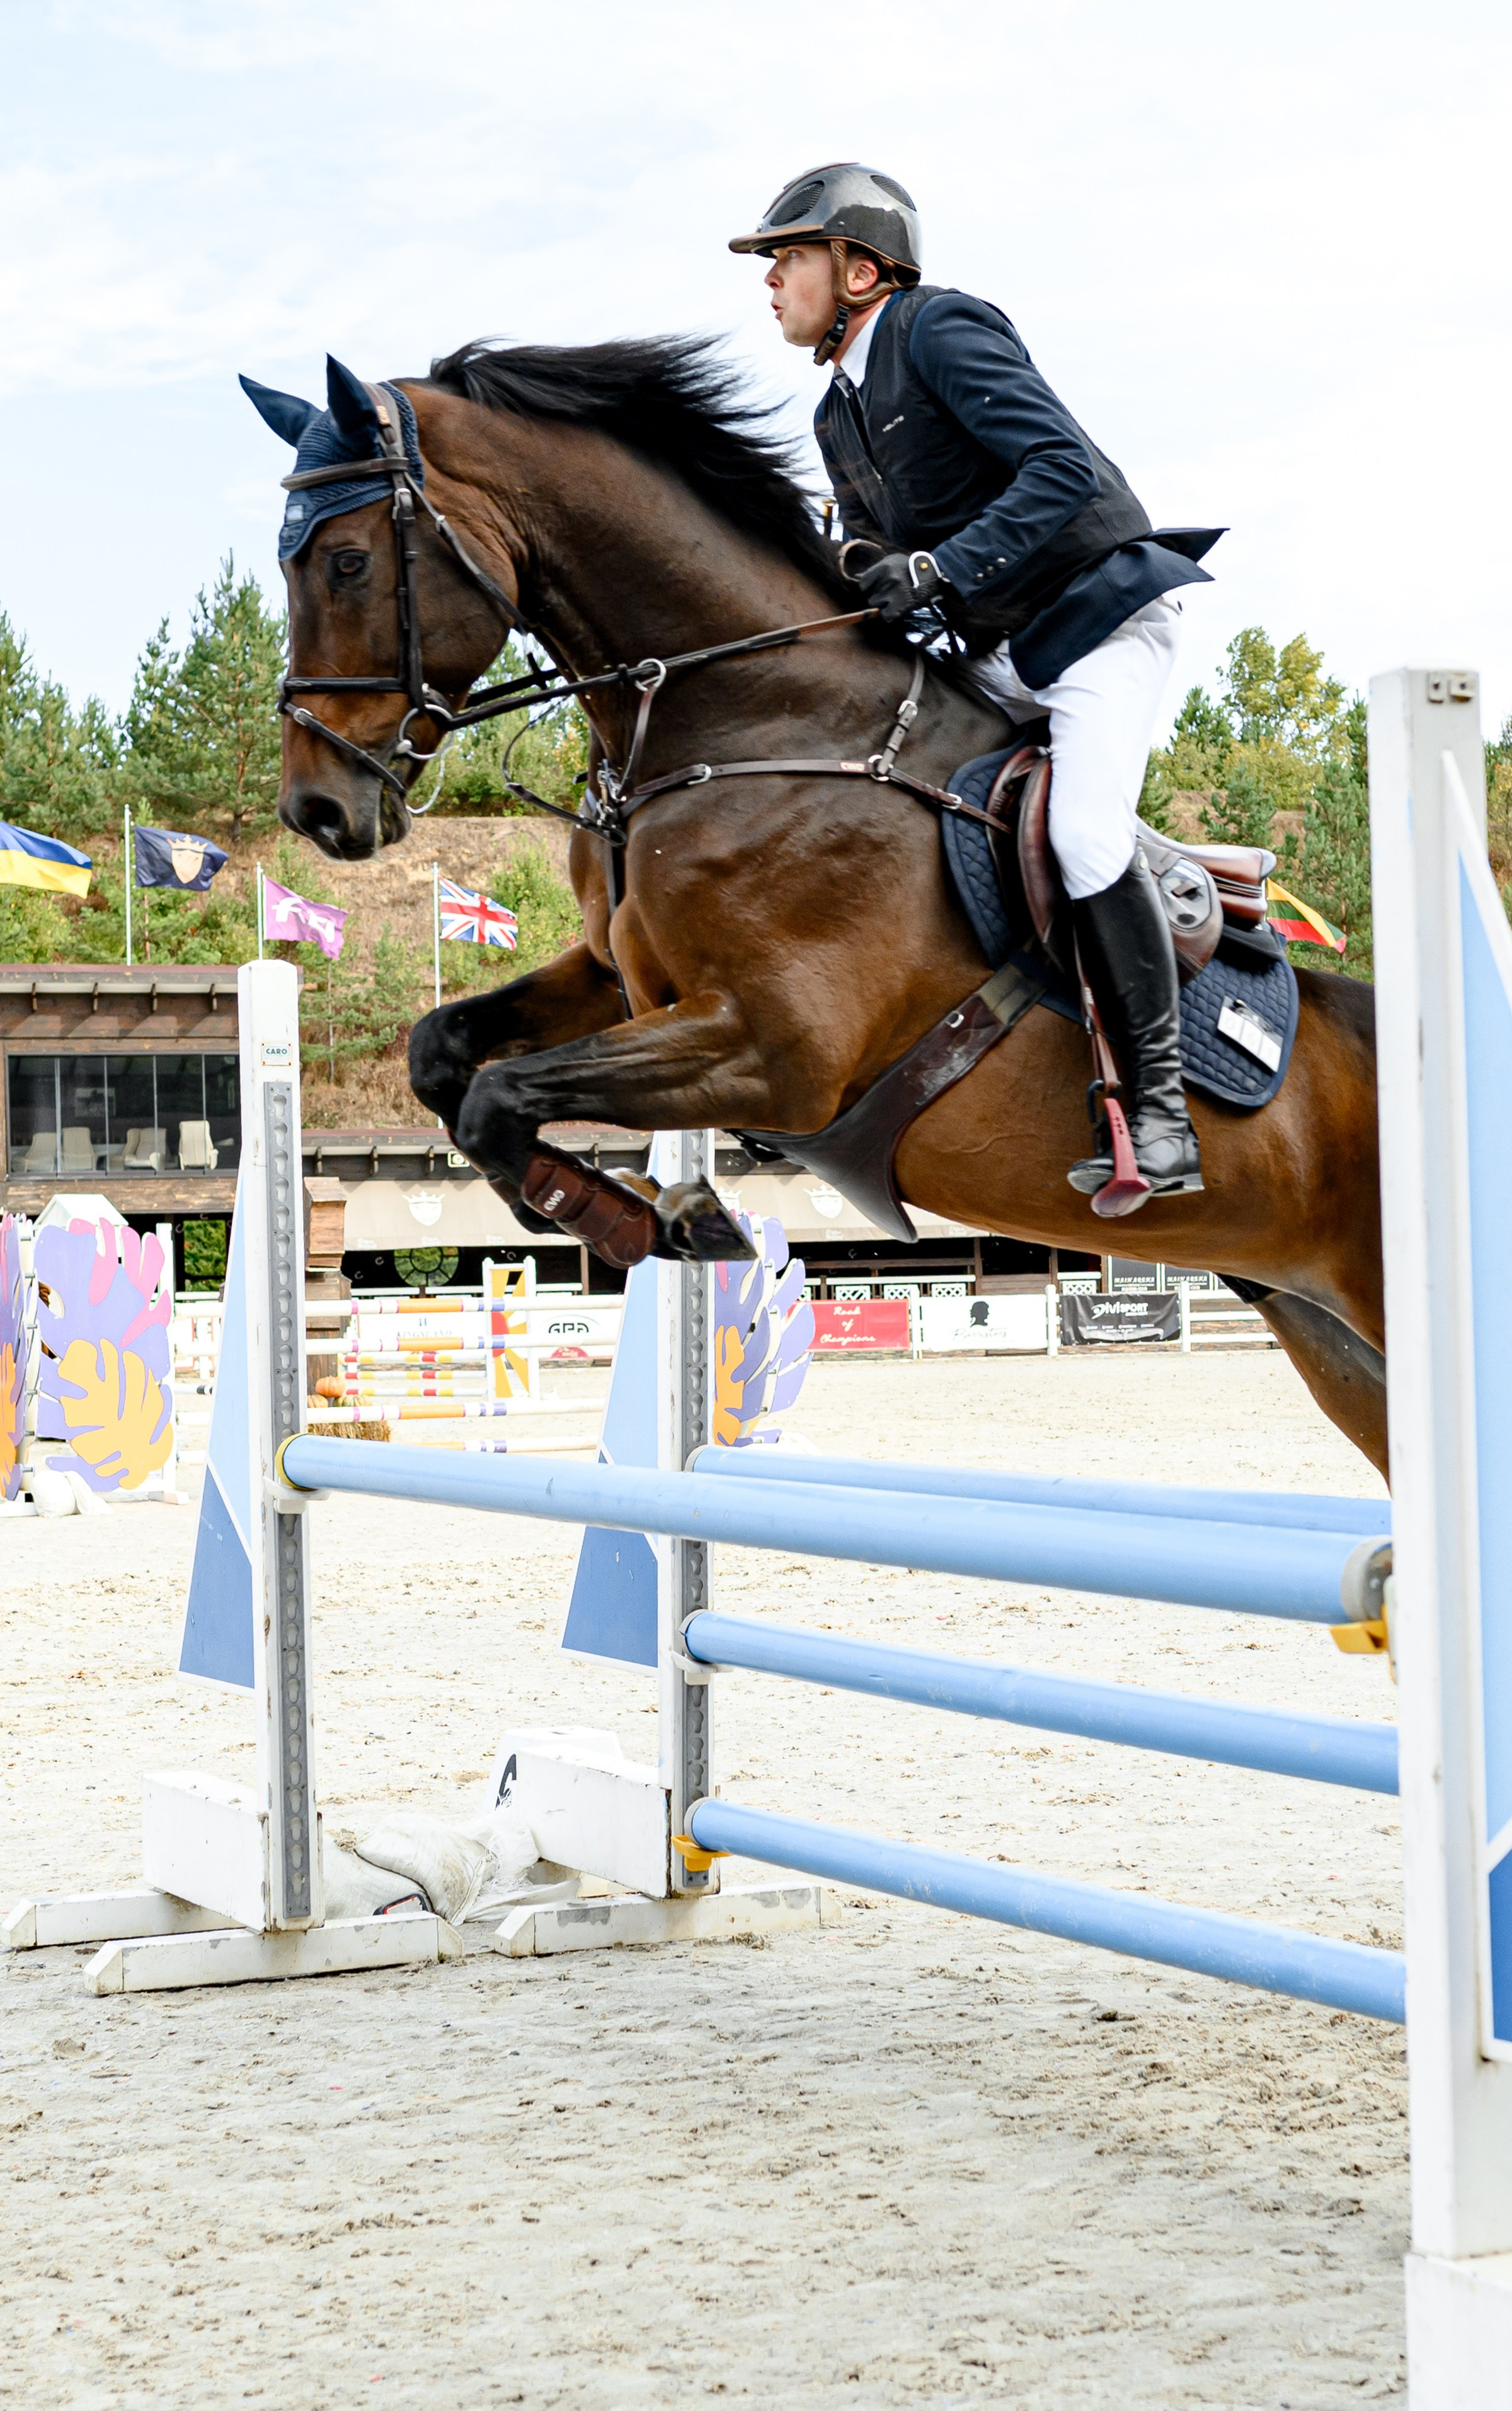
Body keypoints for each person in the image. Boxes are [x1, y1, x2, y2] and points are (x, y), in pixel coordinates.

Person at [730, 163, 1223, 1208]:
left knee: (1086, 836)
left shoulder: (940, 329)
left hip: (1095, 627)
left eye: (789, 257)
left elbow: (1063, 471)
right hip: (996, 656)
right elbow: (877, 566)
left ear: (860, 269)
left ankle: (1165, 1111)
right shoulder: (836, 417)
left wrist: (941, 571)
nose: (771, 279)